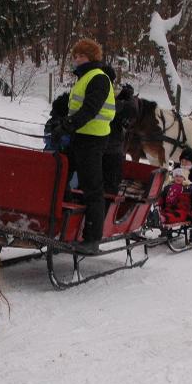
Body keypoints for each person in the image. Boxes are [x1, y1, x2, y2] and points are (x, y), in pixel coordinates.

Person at [55, 38, 116, 255]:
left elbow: (90, 109)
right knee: (60, 175)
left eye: (81, 56)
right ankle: (60, 225)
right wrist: (61, 121)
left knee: (92, 188)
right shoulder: (83, 78)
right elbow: (75, 108)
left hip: (93, 139)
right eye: (75, 56)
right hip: (79, 137)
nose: (76, 60)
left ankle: (92, 239)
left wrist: (69, 125)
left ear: (91, 58)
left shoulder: (99, 78)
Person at [102, 83, 138, 195]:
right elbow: (131, 110)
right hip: (112, 151)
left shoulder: (95, 98)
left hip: (95, 148)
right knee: (111, 185)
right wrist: (129, 96)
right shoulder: (112, 105)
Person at [158, 167, 192, 245]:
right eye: (176, 176)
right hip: (168, 209)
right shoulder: (168, 188)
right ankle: (159, 220)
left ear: (184, 178)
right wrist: (158, 205)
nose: (178, 178)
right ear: (173, 177)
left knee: (176, 215)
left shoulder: (190, 188)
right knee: (165, 213)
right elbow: (161, 198)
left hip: (183, 211)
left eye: (181, 176)